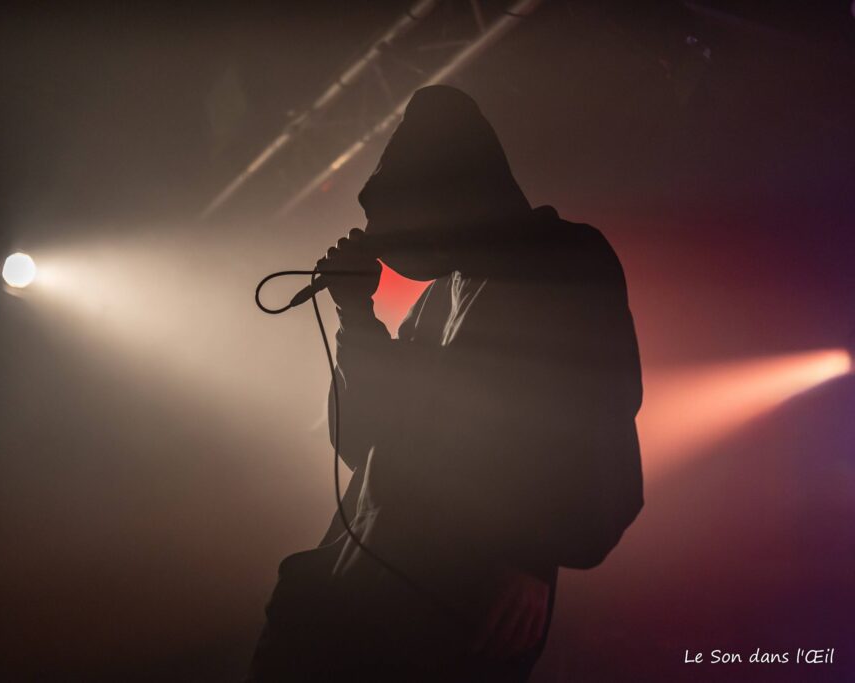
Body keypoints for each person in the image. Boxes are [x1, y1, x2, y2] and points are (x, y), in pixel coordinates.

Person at [247, 85, 643, 682]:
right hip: (355, 593)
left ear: (451, 201)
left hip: (453, 604)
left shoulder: (567, 260)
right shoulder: (435, 301)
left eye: (402, 221)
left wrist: (533, 557)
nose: (393, 243)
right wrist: (357, 317)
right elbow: (364, 440)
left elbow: (593, 416)